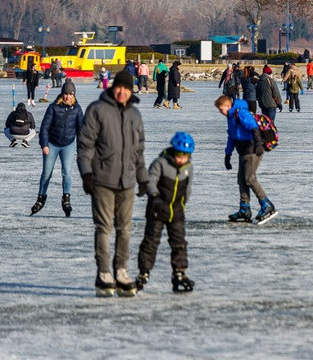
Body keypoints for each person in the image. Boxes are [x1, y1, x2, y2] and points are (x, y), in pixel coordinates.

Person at [77, 70, 146, 297]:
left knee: (125, 229)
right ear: (113, 87)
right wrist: (87, 174)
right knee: (104, 228)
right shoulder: (97, 110)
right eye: (119, 87)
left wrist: (143, 178)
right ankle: (104, 273)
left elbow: (138, 151)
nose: (122, 92)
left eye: (126, 89)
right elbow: (85, 145)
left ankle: (121, 271)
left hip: (127, 182)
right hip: (103, 180)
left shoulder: (134, 114)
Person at [135, 132, 196, 293]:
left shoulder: (188, 168)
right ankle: (143, 272)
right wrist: (154, 196)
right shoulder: (160, 163)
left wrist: (182, 204)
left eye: (185, 156)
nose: (182, 160)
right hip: (157, 210)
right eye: (179, 155)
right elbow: (150, 181)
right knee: (150, 242)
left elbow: (188, 189)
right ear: (173, 151)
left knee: (179, 243)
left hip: (176, 212)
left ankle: (179, 272)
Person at [218, 94, 278, 225]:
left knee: (250, 179)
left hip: (253, 149)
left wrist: (258, 143)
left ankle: (266, 205)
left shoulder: (241, 113)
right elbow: (232, 137)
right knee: (241, 180)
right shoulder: (231, 117)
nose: (220, 112)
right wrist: (227, 155)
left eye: (221, 109)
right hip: (243, 151)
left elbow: (254, 128)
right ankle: (245, 209)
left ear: (228, 106)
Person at [34, 80, 84, 216]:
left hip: (68, 145)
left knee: (67, 173)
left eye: (71, 94)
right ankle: (41, 197)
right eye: (66, 94)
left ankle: (66, 199)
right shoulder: (53, 107)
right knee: (46, 173)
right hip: (52, 144)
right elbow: (44, 127)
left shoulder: (77, 109)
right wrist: (44, 144)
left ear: (73, 95)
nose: (68, 97)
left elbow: (81, 131)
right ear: (62, 94)